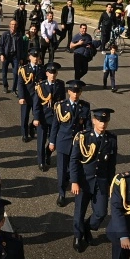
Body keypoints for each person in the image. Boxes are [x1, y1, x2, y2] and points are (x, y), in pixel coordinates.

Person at [69, 108, 118, 253]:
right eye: (100, 121)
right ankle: (78, 236)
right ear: (94, 121)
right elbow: (74, 160)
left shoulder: (111, 139)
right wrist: (74, 181)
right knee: (80, 211)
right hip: (84, 181)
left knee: (101, 213)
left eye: (105, 121)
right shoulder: (83, 137)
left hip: (101, 181)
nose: (103, 124)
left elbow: (111, 164)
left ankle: (87, 227)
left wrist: (110, 183)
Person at [51, 80, 92, 208]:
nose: (75, 94)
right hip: (63, 142)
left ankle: (74, 185)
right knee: (62, 170)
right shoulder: (61, 106)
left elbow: (88, 126)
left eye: (78, 91)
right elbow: (55, 125)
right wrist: (52, 141)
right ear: (69, 92)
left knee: (74, 168)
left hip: (78, 143)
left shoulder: (85, 106)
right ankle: (62, 193)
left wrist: (89, 142)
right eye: (73, 91)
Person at [31, 63, 65, 172]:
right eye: (50, 73)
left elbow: (62, 102)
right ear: (46, 73)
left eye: (54, 73)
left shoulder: (60, 84)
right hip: (43, 117)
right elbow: (36, 104)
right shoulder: (41, 86)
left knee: (53, 139)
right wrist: (36, 118)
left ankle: (48, 153)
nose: (53, 75)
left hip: (55, 118)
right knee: (41, 141)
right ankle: (41, 161)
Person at [0, 19, 21, 93]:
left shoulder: (19, 35)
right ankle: (5, 86)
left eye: (15, 24)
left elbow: (21, 48)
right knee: (4, 72)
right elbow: (1, 45)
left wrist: (21, 58)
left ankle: (14, 89)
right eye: (12, 24)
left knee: (15, 73)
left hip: (15, 56)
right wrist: (1, 54)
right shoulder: (5, 34)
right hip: (6, 55)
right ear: (9, 25)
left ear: (17, 26)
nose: (13, 26)